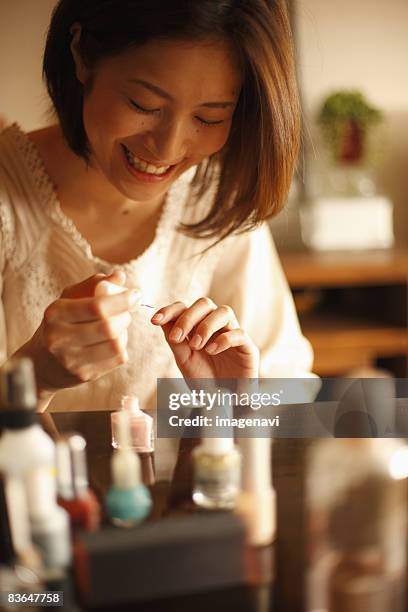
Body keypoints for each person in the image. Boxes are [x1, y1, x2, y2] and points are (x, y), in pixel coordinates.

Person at [0, 0, 313, 477]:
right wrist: (34, 376)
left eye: (209, 118)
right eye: (144, 105)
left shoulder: (215, 196)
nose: (167, 150)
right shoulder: (8, 198)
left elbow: (296, 404)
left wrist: (226, 407)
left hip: (176, 530)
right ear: (82, 54)